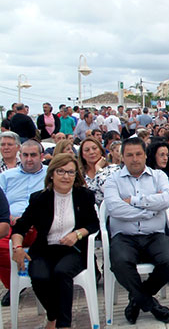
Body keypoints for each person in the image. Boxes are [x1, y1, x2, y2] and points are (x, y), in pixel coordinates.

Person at [11, 153, 99, 329]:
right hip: (45, 249)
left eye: (71, 172)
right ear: (51, 174)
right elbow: (20, 227)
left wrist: (77, 234)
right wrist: (18, 247)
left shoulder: (84, 196)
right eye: (61, 171)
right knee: (38, 275)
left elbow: (93, 224)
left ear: (76, 175)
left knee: (62, 272)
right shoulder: (39, 198)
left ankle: (63, 325)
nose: (66, 176)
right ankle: (53, 316)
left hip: (73, 250)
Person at [103, 137, 169, 324]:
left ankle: (136, 300)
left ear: (145, 155)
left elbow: (166, 199)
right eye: (129, 155)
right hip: (125, 236)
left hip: (154, 235)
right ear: (122, 157)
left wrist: (136, 202)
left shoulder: (158, 176)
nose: (134, 159)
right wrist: (149, 212)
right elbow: (114, 208)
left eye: (138, 154)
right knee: (120, 264)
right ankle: (151, 304)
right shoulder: (113, 180)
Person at [0, 140, 47, 305]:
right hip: (12, 224)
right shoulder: (5, 177)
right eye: (25, 155)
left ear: (41, 156)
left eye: (33, 155)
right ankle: (15, 285)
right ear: (20, 156)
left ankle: (36, 277)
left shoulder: (51, 174)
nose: (29, 159)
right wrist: (9, 217)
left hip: (40, 225)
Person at [79, 138, 120, 205]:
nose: (91, 152)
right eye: (87, 150)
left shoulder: (114, 169)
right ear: (82, 155)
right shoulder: (80, 175)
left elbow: (108, 191)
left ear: (101, 151)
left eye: (94, 148)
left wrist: (98, 169)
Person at [146, 141, 169, 212]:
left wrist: (165, 201)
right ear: (153, 156)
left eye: (167, 155)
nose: (165, 158)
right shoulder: (146, 174)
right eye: (162, 155)